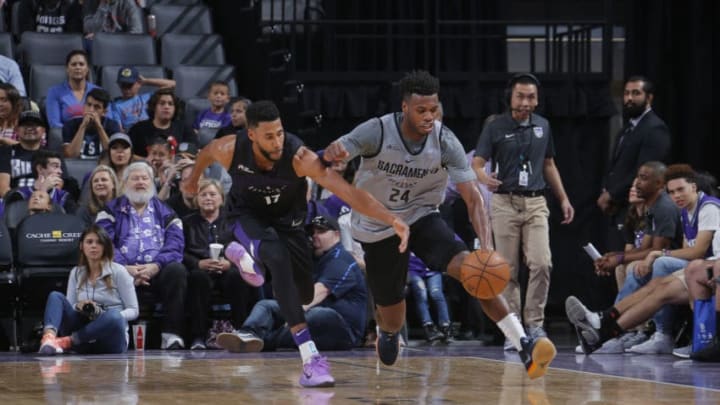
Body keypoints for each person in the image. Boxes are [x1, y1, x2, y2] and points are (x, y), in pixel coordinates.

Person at [323, 70, 555, 378]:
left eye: (434, 109)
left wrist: (485, 248)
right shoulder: (377, 131)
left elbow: (474, 198)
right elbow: (335, 153)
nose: (429, 116)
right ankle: (387, 331)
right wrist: (334, 151)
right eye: (421, 110)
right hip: (379, 224)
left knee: (476, 272)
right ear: (404, 107)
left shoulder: (445, 141)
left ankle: (524, 344)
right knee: (392, 316)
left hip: (421, 216)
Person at [183, 100, 409, 388]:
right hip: (246, 217)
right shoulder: (228, 148)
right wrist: (192, 180)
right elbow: (205, 154)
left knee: (301, 295)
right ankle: (310, 358)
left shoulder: (299, 157)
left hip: (289, 224)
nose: (277, 141)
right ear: (251, 134)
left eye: (279, 133)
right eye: (269, 136)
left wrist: (392, 219)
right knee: (275, 258)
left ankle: (245, 257)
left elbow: (349, 192)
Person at [471, 73, 574, 347]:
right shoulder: (495, 126)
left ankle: (535, 324)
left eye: (531, 97)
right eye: (521, 96)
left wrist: (563, 198)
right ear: (510, 97)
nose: (526, 102)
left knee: (542, 262)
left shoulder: (543, 126)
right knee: (507, 269)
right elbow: (477, 163)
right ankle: (514, 328)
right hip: (505, 202)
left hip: (536, 202)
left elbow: (549, 164)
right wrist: (483, 177)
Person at [217, 212, 367, 353]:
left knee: (317, 315)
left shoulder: (341, 259)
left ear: (336, 235)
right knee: (267, 305)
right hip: (314, 314)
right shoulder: (314, 258)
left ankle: (262, 342)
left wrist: (292, 315)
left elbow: (318, 292)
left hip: (346, 331)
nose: (315, 236)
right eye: (313, 232)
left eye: (321, 231)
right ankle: (247, 334)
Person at [96, 161, 188, 350]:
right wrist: (125, 269)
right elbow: (103, 243)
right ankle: (113, 336)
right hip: (122, 271)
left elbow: (175, 245)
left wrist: (156, 266)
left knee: (177, 271)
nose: (140, 182)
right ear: (125, 183)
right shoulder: (109, 211)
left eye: (144, 178)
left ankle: (171, 335)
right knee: (106, 269)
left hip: (157, 270)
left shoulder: (167, 211)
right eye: (135, 178)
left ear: (152, 183)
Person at [597, 76, 671, 253]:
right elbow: (616, 167)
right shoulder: (628, 128)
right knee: (614, 259)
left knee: (626, 260)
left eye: (636, 93)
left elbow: (645, 172)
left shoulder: (655, 128)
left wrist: (612, 194)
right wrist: (606, 191)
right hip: (618, 208)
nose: (629, 98)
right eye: (626, 93)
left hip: (636, 206)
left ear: (649, 98)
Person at [38, 225, 139, 354]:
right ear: (81, 246)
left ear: (105, 247)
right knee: (55, 296)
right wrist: (79, 306)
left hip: (110, 339)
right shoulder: (76, 272)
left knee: (114, 316)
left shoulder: (119, 271)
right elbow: (70, 306)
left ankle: (65, 342)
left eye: (99, 242)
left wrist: (104, 315)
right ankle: (49, 339)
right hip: (83, 332)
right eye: (89, 242)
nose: (94, 246)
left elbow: (134, 311)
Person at [183, 179, 258, 350]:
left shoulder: (233, 221)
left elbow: (246, 248)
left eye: (212, 194)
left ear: (221, 199)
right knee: (197, 278)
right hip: (200, 269)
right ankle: (198, 337)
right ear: (196, 199)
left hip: (228, 267)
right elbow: (180, 251)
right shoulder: (187, 222)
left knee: (237, 276)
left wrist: (230, 263)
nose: (208, 198)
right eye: (203, 195)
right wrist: (198, 263)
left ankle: (242, 331)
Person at [594, 162, 682, 300]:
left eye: (644, 178)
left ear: (659, 183)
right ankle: (628, 319)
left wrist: (619, 258)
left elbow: (657, 250)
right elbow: (645, 247)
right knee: (622, 267)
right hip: (658, 256)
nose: (637, 184)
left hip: (674, 259)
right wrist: (613, 256)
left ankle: (616, 316)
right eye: (637, 178)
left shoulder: (664, 207)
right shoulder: (650, 210)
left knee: (633, 268)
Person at [128, 88, 196, 157]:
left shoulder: (184, 129)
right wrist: (146, 162)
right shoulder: (138, 129)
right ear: (154, 107)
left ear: (175, 109)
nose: (166, 107)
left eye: (170, 104)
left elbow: (192, 155)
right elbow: (129, 154)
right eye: (162, 103)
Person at [108, 66, 177, 132]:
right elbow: (119, 130)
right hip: (131, 134)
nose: (127, 89)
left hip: (151, 132)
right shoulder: (116, 105)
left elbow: (172, 85)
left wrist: (146, 81)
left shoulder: (148, 97)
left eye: (130, 85)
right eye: (123, 85)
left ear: (138, 84)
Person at [45, 50, 100, 129]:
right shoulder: (54, 92)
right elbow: (54, 123)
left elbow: (107, 120)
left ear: (87, 69)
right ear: (67, 69)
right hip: (67, 138)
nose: (78, 67)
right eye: (74, 64)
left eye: (81, 64)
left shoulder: (99, 92)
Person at [62, 88, 121, 159]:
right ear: (83, 106)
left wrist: (99, 127)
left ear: (104, 112)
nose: (91, 110)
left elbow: (113, 156)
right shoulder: (70, 125)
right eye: (89, 105)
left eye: (97, 107)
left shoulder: (112, 126)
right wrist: (83, 126)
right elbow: (70, 156)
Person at [0, 111, 47, 195]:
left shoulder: (51, 155)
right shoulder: (5, 152)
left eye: (35, 125)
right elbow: (3, 189)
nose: (29, 128)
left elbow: (57, 184)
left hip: (44, 202)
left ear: (43, 130)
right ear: (17, 130)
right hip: (13, 202)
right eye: (25, 125)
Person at [407, 253, 451, 343]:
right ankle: (428, 327)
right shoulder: (406, 239)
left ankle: (445, 326)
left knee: (436, 293)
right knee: (421, 293)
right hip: (413, 271)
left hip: (433, 269)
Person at [17, 0, 83, 33]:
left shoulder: (72, 4)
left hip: (62, 47)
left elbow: (73, 38)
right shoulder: (29, 2)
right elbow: (27, 37)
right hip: (36, 48)